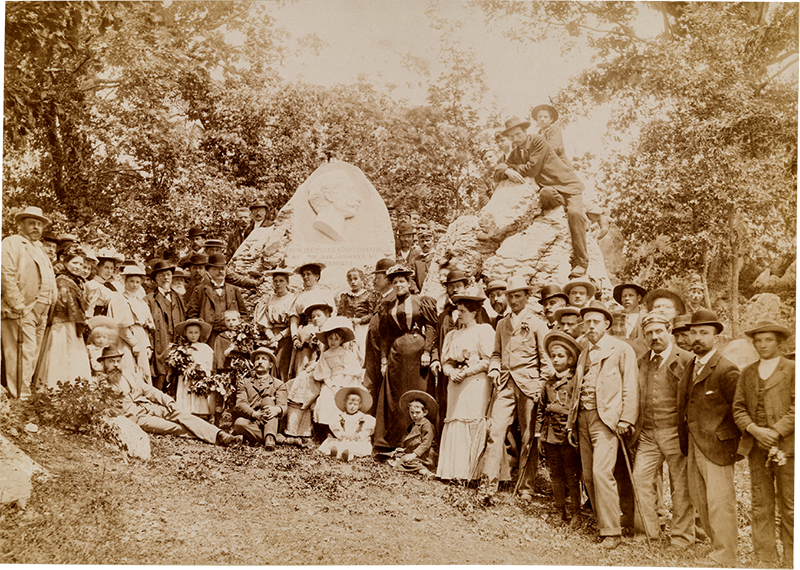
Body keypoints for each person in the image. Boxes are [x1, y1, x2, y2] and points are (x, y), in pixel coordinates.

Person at [565, 300, 638, 549]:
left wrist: (626, 418)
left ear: (607, 324)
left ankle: (612, 532)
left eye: (596, 321)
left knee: (601, 472)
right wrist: (571, 423)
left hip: (605, 419)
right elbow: (576, 390)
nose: (591, 326)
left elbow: (630, 385)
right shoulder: (584, 352)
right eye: (587, 322)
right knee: (588, 475)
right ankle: (601, 523)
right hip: (582, 418)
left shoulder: (621, 349)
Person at [480, 275, 553, 502]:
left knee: (528, 436)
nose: (513, 300)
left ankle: (526, 487)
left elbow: (546, 361)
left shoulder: (537, 324)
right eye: (510, 296)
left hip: (529, 386)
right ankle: (488, 484)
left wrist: (540, 385)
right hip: (505, 384)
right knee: (495, 431)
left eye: (518, 296)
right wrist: (494, 368)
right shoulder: (502, 324)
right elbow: (496, 353)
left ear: (526, 297)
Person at [677, 309, 740, 567]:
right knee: (700, 498)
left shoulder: (726, 369)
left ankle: (726, 555)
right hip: (694, 443)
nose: (697, 338)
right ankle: (717, 548)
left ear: (716, 337)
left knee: (720, 501)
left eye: (704, 333)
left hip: (717, 446)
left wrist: (731, 441)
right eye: (694, 332)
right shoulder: (691, 365)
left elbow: (739, 408)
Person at [630, 311, 696, 550]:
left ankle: (682, 537)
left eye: (659, 331)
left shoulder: (687, 359)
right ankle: (647, 533)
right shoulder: (641, 361)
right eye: (649, 333)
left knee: (681, 486)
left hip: (676, 433)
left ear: (669, 331)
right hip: (648, 434)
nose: (654, 337)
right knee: (640, 479)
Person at [493, 116, 588, 278]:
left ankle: (582, 262)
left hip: (567, 185)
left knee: (574, 214)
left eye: (518, 134)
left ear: (525, 131)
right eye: (512, 136)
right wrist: (507, 170)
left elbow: (532, 169)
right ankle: (563, 212)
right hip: (550, 188)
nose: (516, 139)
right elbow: (497, 172)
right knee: (545, 195)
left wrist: (511, 167)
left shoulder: (537, 141)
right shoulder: (515, 152)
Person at [733, 319, 793, 566]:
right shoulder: (747, 372)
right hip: (757, 447)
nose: (762, 345)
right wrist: (755, 430)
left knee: (791, 501)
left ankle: (793, 556)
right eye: (758, 341)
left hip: (789, 447)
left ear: (779, 342)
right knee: (761, 501)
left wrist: (776, 431)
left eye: (768, 340)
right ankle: (765, 556)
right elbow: (738, 408)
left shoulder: (793, 369)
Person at [100, 345, 242, 446]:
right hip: (139, 418)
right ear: (103, 364)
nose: (116, 365)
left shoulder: (129, 374)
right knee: (174, 428)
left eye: (118, 361)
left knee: (183, 415)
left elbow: (150, 391)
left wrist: (168, 402)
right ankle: (217, 439)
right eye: (111, 362)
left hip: (153, 408)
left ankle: (221, 435)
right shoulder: (102, 384)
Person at [373, 265, 438, 453]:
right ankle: (395, 441)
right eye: (395, 282)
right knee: (395, 395)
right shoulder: (388, 305)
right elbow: (385, 335)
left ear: (409, 283)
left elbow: (430, 327)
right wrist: (384, 360)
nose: (398, 285)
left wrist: (427, 352)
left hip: (418, 354)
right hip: (396, 354)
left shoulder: (421, 301)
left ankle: (421, 442)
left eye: (402, 281)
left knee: (418, 391)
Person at [436, 287, 495, 481]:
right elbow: (446, 362)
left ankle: (474, 473)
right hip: (456, 382)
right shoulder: (452, 335)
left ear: (474, 313)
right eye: (457, 310)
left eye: (462, 311)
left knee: (472, 420)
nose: (458, 314)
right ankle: (454, 472)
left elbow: (488, 360)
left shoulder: (483, 331)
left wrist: (466, 372)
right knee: (456, 419)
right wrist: (451, 372)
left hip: (475, 382)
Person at [0, 207, 58, 399]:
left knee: (31, 354)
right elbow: (5, 272)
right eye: (31, 223)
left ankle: (24, 393)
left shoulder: (39, 248)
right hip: (22, 308)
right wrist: (16, 302)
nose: (36, 227)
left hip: (42, 311)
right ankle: (20, 398)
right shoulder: (12, 243)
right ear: (20, 224)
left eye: (39, 224)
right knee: (21, 353)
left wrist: (51, 303)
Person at [429, 268, 490, 437]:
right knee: (448, 408)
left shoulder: (480, 315)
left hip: (473, 373)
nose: (455, 289)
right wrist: (436, 359)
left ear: (465, 287)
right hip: (449, 371)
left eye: (458, 285)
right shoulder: (444, 316)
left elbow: (485, 346)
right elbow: (436, 340)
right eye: (451, 286)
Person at [536, 331, 582, 526]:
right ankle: (559, 511)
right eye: (553, 356)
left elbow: (576, 408)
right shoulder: (548, 383)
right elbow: (540, 409)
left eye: (560, 356)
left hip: (567, 436)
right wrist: (539, 435)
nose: (555, 359)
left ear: (570, 359)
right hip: (550, 436)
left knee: (572, 475)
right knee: (555, 474)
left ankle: (576, 513)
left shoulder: (574, 382)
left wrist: (557, 410)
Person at [35, 245, 92, 390]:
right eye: (74, 263)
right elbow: (67, 305)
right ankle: (56, 387)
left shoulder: (76, 281)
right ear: (65, 262)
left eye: (81, 264)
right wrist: (83, 320)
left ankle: (73, 387)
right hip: (62, 324)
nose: (78, 267)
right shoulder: (62, 281)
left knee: (73, 355)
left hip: (72, 322)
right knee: (61, 353)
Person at [284, 302, 333, 440]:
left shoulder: (331, 332)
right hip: (318, 368)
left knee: (305, 384)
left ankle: (305, 430)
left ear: (327, 316)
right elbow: (316, 356)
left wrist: (316, 365)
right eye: (313, 317)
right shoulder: (314, 333)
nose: (315, 319)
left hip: (331, 371)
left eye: (319, 315)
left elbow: (330, 357)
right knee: (297, 383)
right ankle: (297, 430)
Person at [311, 317, 363, 429]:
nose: (333, 342)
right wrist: (332, 386)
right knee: (325, 397)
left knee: (344, 397)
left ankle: (344, 425)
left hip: (346, 380)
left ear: (342, 340)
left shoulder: (345, 353)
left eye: (336, 339)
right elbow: (325, 373)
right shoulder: (325, 355)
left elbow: (351, 371)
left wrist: (342, 385)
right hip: (332, 381)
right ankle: (326, 426)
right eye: (330, 338)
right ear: (326, 339)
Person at [233, 347, 288, 449]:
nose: (260, 361)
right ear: (253, 364)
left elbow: (283, 406)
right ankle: (278, 438)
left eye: (264, 359)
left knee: (267, 400)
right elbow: (240, 404)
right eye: (257, 359)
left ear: (270, 365)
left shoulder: (278, 384)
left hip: (272, 421)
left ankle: (270, 439)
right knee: (239, 423)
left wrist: (276, 410)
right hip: (252, 421)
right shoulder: (244, 382)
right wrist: (255, 414)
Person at [187, 253, 247, 346]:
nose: (220, 271)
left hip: (232, 337)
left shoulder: (234, 290)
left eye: (222, 269)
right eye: (216, 269)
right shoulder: (200, 290)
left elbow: (244, 314)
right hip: (209, 337)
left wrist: (238, 331)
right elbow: (192, 315)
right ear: (209, 271)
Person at [108, 265, 154, 383]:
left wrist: (147, 345)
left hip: (140, 337)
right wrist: (134, 343)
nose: (135, 285)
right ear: (125, 282)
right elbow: (120, 326)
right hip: (125, 339)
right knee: (128, 369)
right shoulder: (119, 299)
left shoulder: (141, 302)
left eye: (137, 282)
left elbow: (144, 327)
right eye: (131, 281)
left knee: (142, 372)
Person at [362, 258, 396, 415]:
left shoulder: (393, 299)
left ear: (388, 279)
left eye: (377, 277)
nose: (374, 281)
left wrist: (384, 358)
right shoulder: (383, 299)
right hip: (374, 355)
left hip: (383, 356)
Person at [145, 260, 185, 392]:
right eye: (162, 275)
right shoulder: (149, 299)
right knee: (159, 377)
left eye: (168, 274)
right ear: (156, 279)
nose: (166, 277)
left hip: (177, 343)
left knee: (176, 377)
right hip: (159, 342)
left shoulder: (178, 297)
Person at [253, 268, 295, 382]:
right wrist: (272, 337)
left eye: (281, 281)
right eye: (275, 281)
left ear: (287, 282)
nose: (278, 284)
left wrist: (280, 336)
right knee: (270, 364)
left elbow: (295, 322)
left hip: (288, 336)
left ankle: (283, 387)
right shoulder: (268, 300)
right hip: (272, 337)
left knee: (283, 365)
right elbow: (265, 323)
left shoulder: (293, 298)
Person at [389, 390, 438, 478]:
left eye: (418, 412)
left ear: (425, 412)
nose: (414, 415)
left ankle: (425, 472)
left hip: (426, 455)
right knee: (396, 454)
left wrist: (414, 454)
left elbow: (426, 444)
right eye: (412, 412)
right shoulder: (413, 425)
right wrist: (404, 450)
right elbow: (414, 442)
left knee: (407, 460)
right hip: (418, 454)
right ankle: (406, 462)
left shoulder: (426, 425)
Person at [318, 386, 375, 462]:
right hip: (343, 438)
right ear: (345, 403)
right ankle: (335, 454)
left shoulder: (363, 417)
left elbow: (367, 430)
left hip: (356, 440)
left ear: (360, 405)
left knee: (358, 446)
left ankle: (346, 456)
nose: (352, 406)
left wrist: (359, 436)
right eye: (350, 403)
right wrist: (342, 434)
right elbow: (335, 428)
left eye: (355, 404)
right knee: (337, 444)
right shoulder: (340, 417)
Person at [288, 262, 337, 350]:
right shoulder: (298, 296)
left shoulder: (325, 294)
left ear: (317, 276)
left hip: (321, 333)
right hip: (302, 334)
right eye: (303, 275)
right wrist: (295, 337)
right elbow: (294, 320)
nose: (305, 277)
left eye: (308, 274)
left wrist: (324, 332)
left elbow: (332, 316)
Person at [173, 319, 214, 418]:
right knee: (186, 393)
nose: (193, 335)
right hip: (186, 378)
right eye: (190, 332)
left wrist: (205, 372)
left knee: (199, 395)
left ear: (200, 333)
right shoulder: (182, 349)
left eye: (196, 332)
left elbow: (210, 363)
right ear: (185, 333)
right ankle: (186, 413)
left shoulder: (205, 347)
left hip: (200, 377)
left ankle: (201, 413)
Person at [336, 268, 373, 363]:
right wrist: (345, 321)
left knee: (362, 350)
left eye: (355, 279)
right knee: (349, 352)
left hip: (363, 328)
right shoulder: (345, 296)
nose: (353, 282)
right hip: (348, 327)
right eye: (350, 279)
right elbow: (340, 314)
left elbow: (372, 314)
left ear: (362, 279)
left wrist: (360, 320)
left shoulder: (368, 295)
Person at [531, 103, 571, 168]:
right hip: (545, 164)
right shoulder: (537, 136)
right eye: (540, 117)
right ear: (537, 120)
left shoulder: (555, 130)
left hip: (560, 165)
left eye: (545, 117)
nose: (542, 119)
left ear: (551, 120)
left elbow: (553, 147)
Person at [411, 227, 436, 291]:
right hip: (420, 293)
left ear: (433, 242)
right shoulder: (415, 260)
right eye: (422, 241)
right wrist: (416, 291)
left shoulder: (437, 257)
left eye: (427, 240)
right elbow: (411, 279)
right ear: (419, 243)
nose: (425, 243)